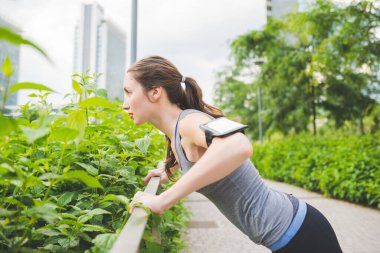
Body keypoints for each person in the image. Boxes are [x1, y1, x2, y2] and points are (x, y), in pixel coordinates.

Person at [124, 56, 343, 253]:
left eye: (129, 92)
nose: (124, 105)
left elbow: (238, 144)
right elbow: (195, 157)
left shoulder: (189, 122)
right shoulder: (176, 135)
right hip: (289, 234)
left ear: (155, 92)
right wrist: (167, 170)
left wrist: (162, 200)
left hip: (301, 233)